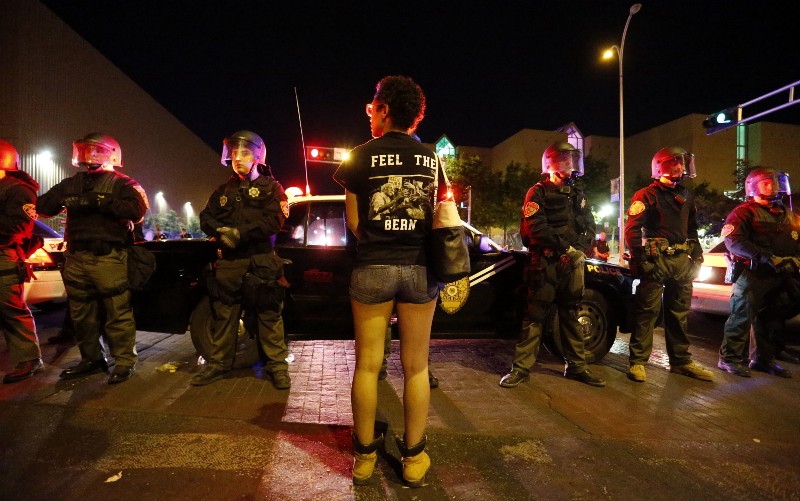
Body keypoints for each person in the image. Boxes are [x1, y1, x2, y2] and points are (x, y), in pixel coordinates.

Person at [333, 75, 436, 487]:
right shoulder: (431, 158)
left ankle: (363, 458)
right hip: (419, 268)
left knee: (367, 365)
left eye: (372, 107)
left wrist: (379, 240)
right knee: (416, 367)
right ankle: (413, 458)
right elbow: (437, 219)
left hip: (373, 266)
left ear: (385, 109)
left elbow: (354, 222)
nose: (370, 114)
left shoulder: (360, 156)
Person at [37, 133, 148, 384]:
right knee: (81, 314)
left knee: (117, 312)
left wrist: (100, 201)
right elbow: (43, 206)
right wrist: (64, 199)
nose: (90, 155)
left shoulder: (123, 183)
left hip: (108, 256)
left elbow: (137, 210)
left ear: (111, 154)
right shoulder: (72, 183)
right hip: (77, 256)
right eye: (87, 150)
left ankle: (124, 361)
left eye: (97, 150)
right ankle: (91, 359)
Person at [500, 142, 605, 389]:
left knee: (571, 314)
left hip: (572, 264)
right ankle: (521, 369)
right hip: (545, 263)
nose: (570, 165)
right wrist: (566, 249)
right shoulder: (537, 192)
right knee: (534, 316)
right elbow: (536, 228)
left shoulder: (578, 194)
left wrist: (579, 249)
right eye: (564, 159)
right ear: (551, 163)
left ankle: (577, 366)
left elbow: (589, 226)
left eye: (572, 159)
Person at [194, 130, 291, 389]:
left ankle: (277, 367)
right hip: (230, 264)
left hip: (261, 262)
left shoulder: (273, 188)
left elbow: (274, 221)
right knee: (224, 315)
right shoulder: (222, 191)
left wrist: (239, 233)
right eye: (234, 153)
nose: (238, 158)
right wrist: (221, 231)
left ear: (258, 156)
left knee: (269, 316)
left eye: (245, 152)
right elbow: (205, 218)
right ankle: (218, 365)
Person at [624, 146, 713, 383]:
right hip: (657, 260)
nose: (680, 167)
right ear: (661, 166)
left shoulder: (686, 195)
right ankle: (637, 362)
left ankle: (681, 361)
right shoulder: (646, 195)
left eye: (682, 163)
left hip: (682, 261)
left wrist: (697, 255)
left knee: (679, 313)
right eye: (675, 163)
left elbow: (691, 228)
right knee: (647, 312)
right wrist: (640, 259)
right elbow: (632, 230)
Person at [717, 168, 798, 378]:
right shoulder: (744, 212)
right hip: (752, 274)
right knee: (741, 316)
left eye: (775, 183)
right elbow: (734, 241)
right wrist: (765, 257)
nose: (773, 187)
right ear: (753, 187)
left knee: (771, 318)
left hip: (779, 275)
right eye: (766, 183)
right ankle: (729, 359)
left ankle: (763, 360)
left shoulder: (785, 213)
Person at [0, 138, 44, 383]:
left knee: (11, 309)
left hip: (4, 254)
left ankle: (29, 359)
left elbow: (20, 225)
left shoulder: (17, 189)